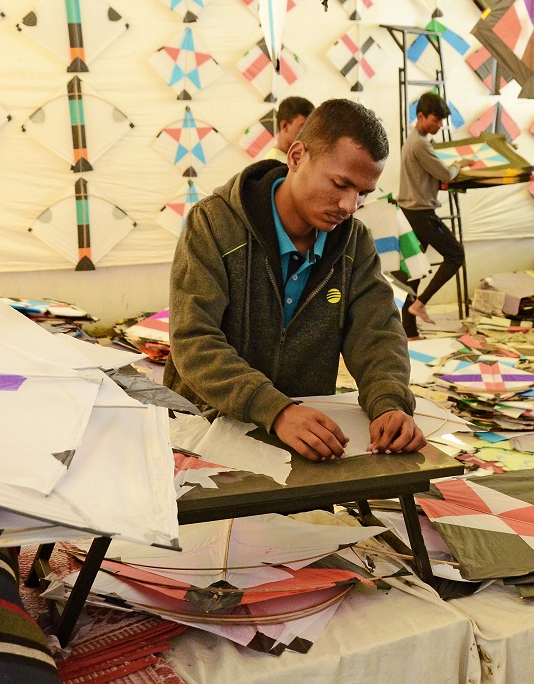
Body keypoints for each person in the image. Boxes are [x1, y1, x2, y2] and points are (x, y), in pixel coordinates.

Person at [165, 98, 425, 462]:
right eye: (340, 184)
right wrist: (276, 409)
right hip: (206, 431)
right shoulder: (213, 224)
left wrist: (389, 403)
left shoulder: (354, 242)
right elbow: (194, 339)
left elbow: (377, 334)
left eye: (363, 193)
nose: (350, 206)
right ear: (297, 156)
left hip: (305, 439)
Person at [395, 93, 478, 337]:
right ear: (420, 116)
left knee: (414, 270)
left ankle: (408, 329)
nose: (440, 125)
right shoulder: (420, 144)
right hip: (421, 213)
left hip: (410, 212)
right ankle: (420, 304)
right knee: (455, 254)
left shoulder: (414, 140)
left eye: (442, 120)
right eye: (436, 119)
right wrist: (459, 165)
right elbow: (445, 174)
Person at [262, 96, 315, 162]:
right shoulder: (272, 165)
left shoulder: (300, 159)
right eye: (303, 126)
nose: (308, 133)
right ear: (284, 126)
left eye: (310, 127)